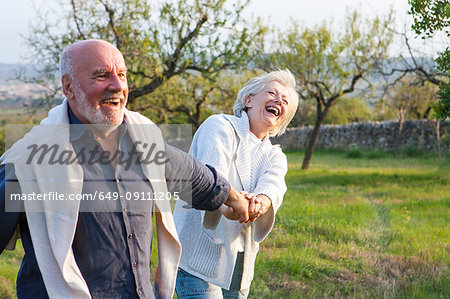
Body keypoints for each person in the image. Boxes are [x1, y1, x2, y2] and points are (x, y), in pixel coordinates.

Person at [0, 39, 252, 299]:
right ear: (68, 87)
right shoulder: (28, 162)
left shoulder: (143, 140)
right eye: (102, 75)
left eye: (122, 75)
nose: (118, 86)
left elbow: (193, 175)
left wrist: (232, 198)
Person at [174, 70, 299, 298]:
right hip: (197, 257)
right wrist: (230, 203)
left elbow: (273, 185)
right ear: (249, 100)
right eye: (272, 93)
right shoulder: (220, 126)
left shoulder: (275, 155)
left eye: (285, 101)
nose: (279, 101)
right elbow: (212, 177)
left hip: (239, 264)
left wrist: (259, 203)